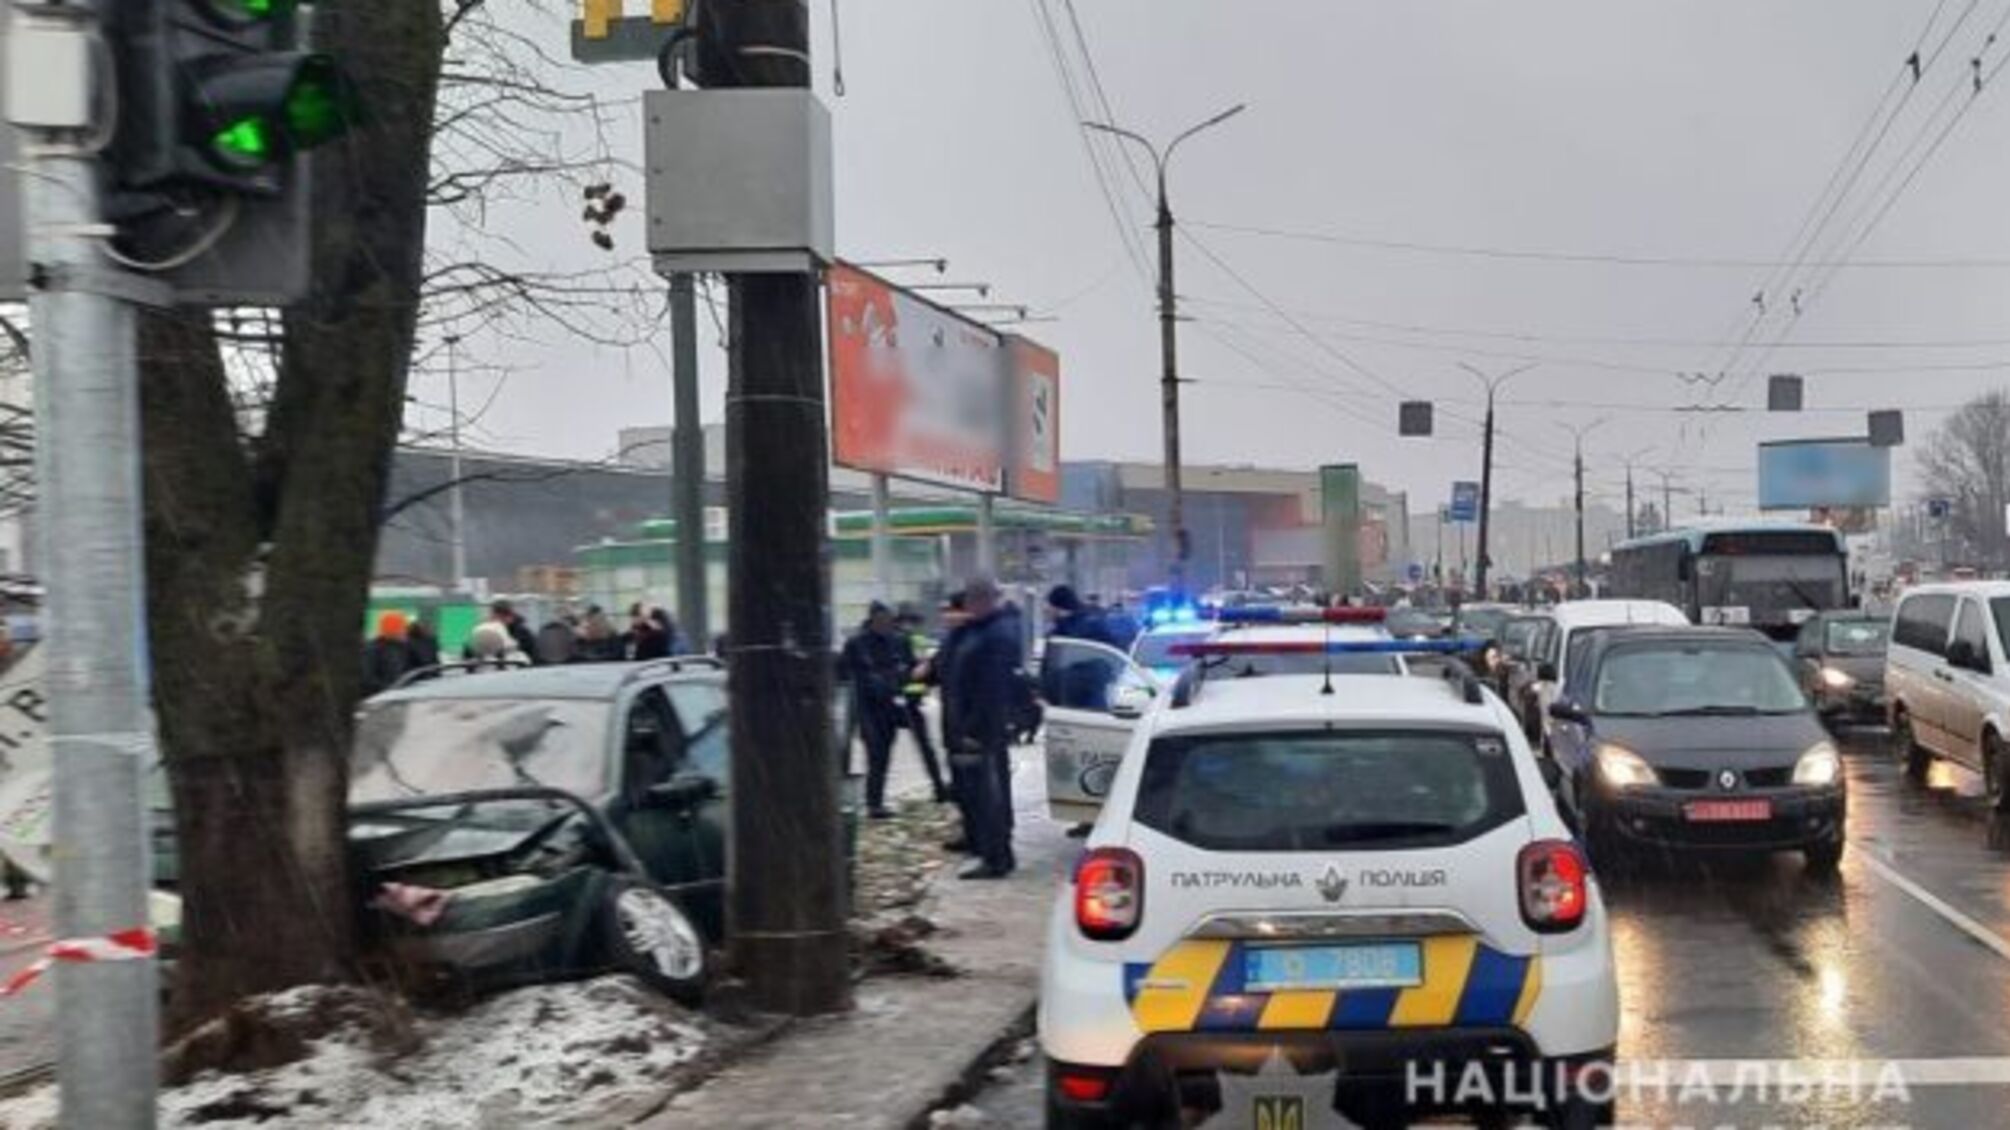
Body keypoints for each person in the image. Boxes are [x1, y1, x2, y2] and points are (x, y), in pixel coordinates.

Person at [942, 576, 1022, 879]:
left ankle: (997, 858)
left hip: (983, 733)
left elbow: (993, 690)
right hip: (970, 729)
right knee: (977, 795)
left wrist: (975, 729)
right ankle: (988, 850)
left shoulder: (996, 636)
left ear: (983, 601)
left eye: (973, 601)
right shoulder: (976, 632)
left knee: (990, 797)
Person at [840, 602, 911, 819]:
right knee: (875, 753)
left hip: (890, 706)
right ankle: (873, 803)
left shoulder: (897, 641)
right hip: (866, 707)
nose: (885, 623)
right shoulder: (856, 643)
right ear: (872, 619)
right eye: (881, 619)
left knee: (884, 755)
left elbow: (909, 669)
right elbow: (842, 671)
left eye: (888, 619)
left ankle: (875, 800)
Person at [895, 603, 950, 803]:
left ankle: (939, 787)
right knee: (926, 748)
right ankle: (939, 788)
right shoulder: (916, 640)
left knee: (882, 755)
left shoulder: (894, 639)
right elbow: (922, 669)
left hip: (899, 701)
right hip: (910, 702)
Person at [361, 611, 414, 697]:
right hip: (380, 698)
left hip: (399, 695)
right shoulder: (373, 649)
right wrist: (388, 689)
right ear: (393, 629)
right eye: (402, 629)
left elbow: (408, 672)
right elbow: (368, 678)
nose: (405, 632)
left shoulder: (403, 648)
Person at [1046, 584, 1115, 646]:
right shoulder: (1091, 619)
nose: (1047, 611)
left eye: (1050, 608)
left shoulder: (1077, 629)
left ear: (1058, 608)